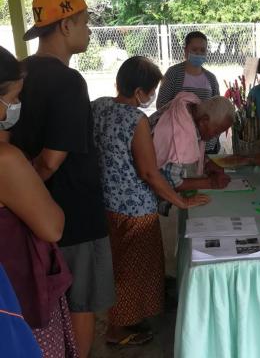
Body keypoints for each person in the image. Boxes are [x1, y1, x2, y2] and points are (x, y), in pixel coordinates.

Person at [10, 0, 115, 357]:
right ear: (66, 26)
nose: (89, 30)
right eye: (85, 23)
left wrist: (22, 201)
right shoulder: (69, 81)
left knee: (46, 306)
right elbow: (51, 161)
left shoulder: (18, 72)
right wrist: (34, 192)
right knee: (80, 303)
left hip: (26, 218)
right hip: (71, 216)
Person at [91, 56, 210, 346]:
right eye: (152, 90)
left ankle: (124, 319)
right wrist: (179, 202)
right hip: (135, 210)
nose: (152, 96)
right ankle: (119, 330)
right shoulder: (136, 119)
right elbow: (148, 172)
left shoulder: (98, 106)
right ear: (139, 93)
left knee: (118, 265)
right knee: (135, 271)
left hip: (105, 203)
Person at [0, 45, 78, 357]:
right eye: (13, 97)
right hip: (16, 297)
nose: (16, 106)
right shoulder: (6, 160)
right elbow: (52, 226)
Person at [151, 92, 235, 191]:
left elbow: (194, 149)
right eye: (217, 131)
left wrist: (207, 163)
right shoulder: (179, 134)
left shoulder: (191, 109)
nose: (216, 136)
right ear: (204, 121)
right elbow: (170, 182)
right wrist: (212, 183)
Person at [156, 31, 221, 154]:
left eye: (202, 50)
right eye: (194, 49)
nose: (199, 53)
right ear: (185, 51)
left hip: (205, 140)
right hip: (178, 142)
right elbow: (161, 104)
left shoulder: (211, 78)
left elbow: (217, 109)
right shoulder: (173, 73)